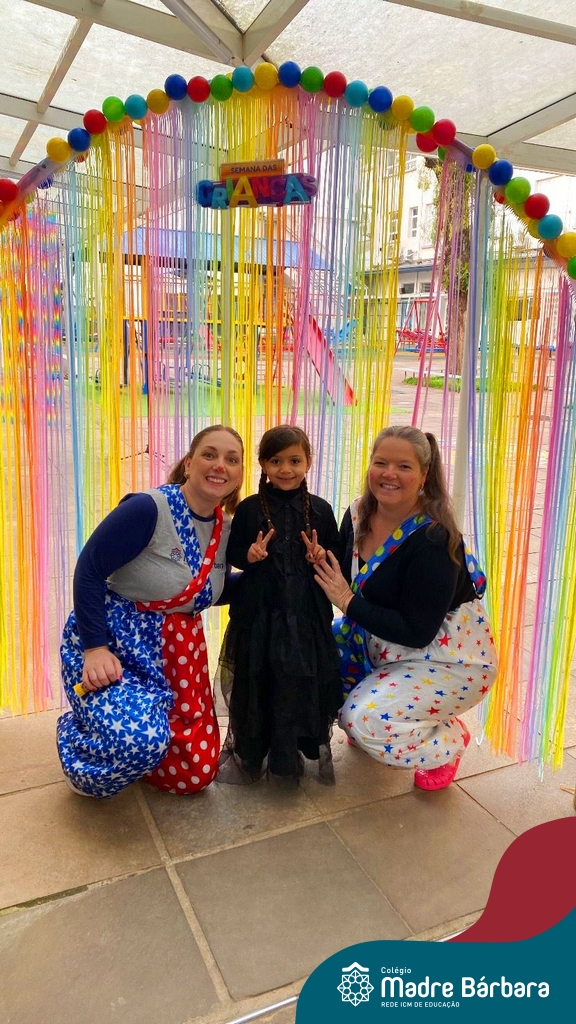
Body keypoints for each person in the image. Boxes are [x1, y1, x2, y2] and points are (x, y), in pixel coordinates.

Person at [57, 425, 244, 798]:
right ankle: (78, 743)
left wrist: (282, 574)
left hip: (177, 653)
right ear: (188, 464)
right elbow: (89, 570)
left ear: (239, 475)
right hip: (116, 646)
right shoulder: (148, 509)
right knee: (140, 742)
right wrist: (95, 648)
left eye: (231, 459)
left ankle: (136, 740)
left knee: (195, 774)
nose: (219, 465)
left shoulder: (226, 528)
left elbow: (210, 591)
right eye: (209, 454)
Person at [313, 425, 497, 791]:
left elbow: (416, 632)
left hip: (448, 660)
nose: (389, 474)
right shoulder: (358, 513)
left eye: (404, 466)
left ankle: (447, 743)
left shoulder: (434, 537)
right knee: (303, 657)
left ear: (424, 475)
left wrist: (347, 601)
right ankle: (383, 704)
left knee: (364, 722)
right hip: (380, 643)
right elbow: (339, 572)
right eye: (381, 462)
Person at [217, 425, 342, 784]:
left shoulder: (321, 509)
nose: (285, 469)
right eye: (276, 461)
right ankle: (254, 749)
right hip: (259, 614)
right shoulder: (248, 509)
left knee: (297, 682)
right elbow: (233, 554)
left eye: (294, 461)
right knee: (258, 679)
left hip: (305, 614)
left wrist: (321, 554)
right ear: (262, 464)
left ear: (308, 462)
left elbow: (335, 552)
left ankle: (293, 750)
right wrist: (250, 555)